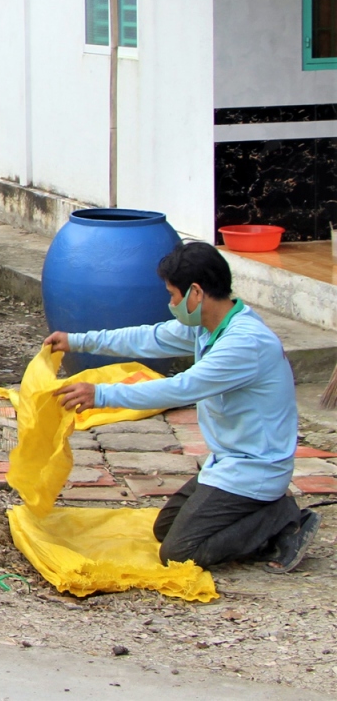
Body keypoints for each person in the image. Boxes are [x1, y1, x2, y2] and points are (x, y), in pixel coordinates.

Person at [49, 241, 320, 573]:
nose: (171, 303)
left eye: (174, 295)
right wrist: (77, 340)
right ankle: (262, 513)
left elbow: (181, 388)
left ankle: (280, 518)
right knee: (165, 529)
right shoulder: (208, 328)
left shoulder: (244, 343)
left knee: (179, 553)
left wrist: (102, 395)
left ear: (196, 292)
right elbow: (148, 338)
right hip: (227, 463)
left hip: (254, 470)